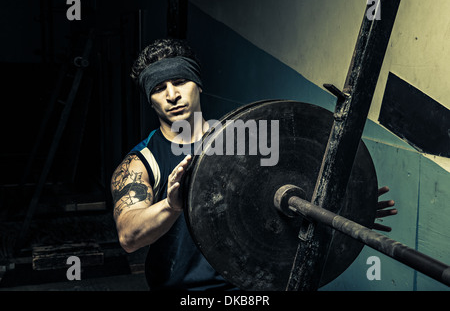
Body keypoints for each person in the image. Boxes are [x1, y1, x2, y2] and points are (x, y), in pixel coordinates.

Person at [111, 38, 397, 290]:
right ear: (151, 100)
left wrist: (347, 209)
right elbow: (129, 237)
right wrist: (171, 205)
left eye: (180, 82)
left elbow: (280, 200)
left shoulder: (245, 142)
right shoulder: (141, 162)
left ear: (198, 84)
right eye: (159, 88)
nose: (172, 95)